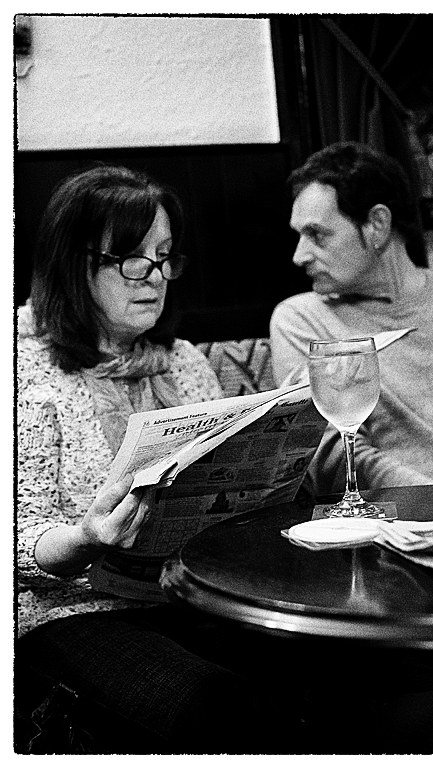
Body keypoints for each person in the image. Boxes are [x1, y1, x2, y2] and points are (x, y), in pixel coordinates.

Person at [15, 165, 274, 754]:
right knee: (210, 703)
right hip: (68, 611)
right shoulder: (22, 368)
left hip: (191, 596)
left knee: (317, 670)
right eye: (133, 258)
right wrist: (85, 537)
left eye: (163, 257)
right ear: (72, 263)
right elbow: (14, 537)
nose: (155, 277)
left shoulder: (182, 362)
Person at [270, 142, 433, 494]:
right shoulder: (303, 319)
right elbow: (334, 460)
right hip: (405, 518)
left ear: (377, 224)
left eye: (317, 234)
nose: (299, 256)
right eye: (299, 235)